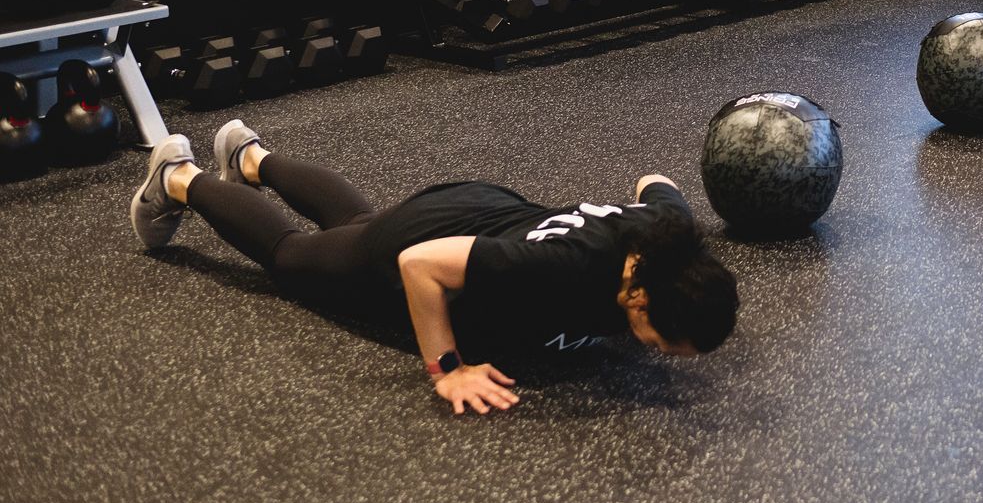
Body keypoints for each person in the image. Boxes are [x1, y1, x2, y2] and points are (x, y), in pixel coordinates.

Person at [129, 119, 738, 412]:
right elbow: (420, 265)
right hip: (429, 247)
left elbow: (656, 181)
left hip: (483, 207)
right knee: (293, 257)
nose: (667, 355)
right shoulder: (558, 271)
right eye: (667, 342)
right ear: (638, 298)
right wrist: (447, 369)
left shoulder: (669, 234)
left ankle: (251, 155)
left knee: (356, 223)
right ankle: (180, 178)